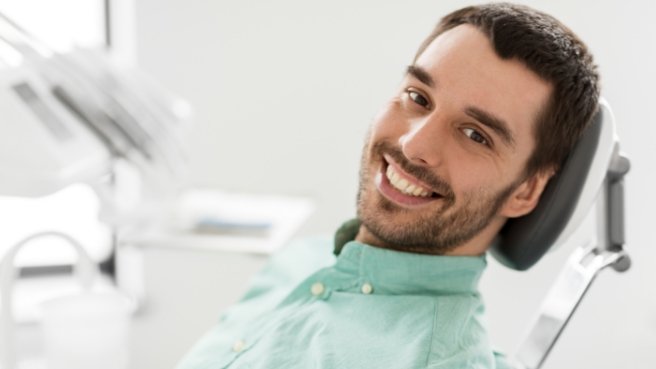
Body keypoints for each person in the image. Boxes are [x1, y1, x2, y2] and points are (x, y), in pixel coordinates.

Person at [176, 3, 599, 368]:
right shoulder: (302, 260)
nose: (413, 144)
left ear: (525, 191)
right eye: (418, 98)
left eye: (475, 135)